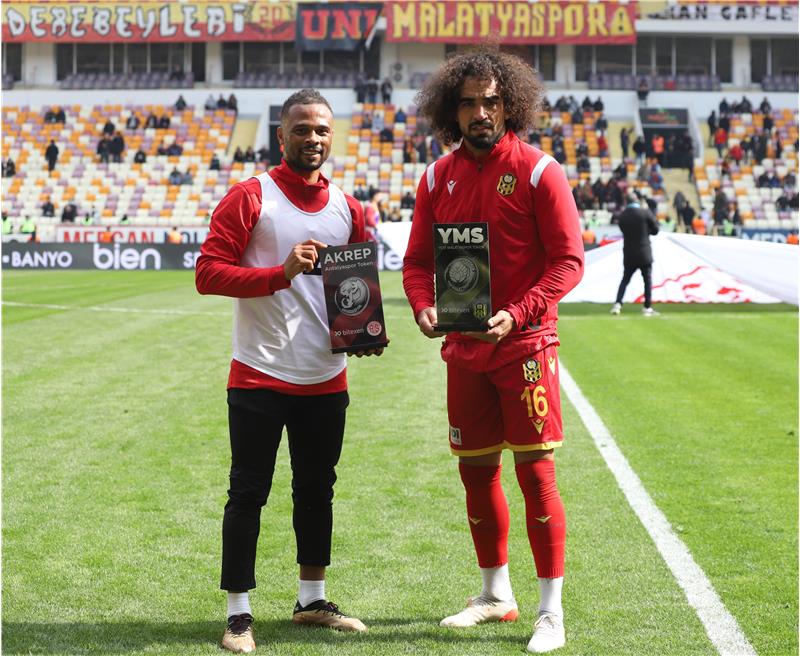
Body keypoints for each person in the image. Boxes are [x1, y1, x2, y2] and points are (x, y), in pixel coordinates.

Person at [403, 50, 583, 654]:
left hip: (525, 345)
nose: (480, 112)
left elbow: (568, 262)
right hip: (464, 351)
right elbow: (417, 263)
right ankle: (495, 594)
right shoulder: (436, 178)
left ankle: (551, 612)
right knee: (476, 472)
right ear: (450, 111)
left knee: (535, 473)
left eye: (491, 101)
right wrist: (423, 306)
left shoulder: (539, 172)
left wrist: (519, 313)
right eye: (468, 103)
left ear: (510, 104)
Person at [195, 88, 381, 654]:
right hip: (259, 371)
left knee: (317, 490)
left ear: (332, 135)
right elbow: (208, 273)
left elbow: (353, 291)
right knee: (247, 492)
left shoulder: (349, 208)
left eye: (321, 129)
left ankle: (311, 600)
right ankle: (238, 614)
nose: (313, 139)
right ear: (282, 136)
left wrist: (363, 333)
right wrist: (279, 273)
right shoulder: (251, 196)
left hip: (325, 376)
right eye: (301, 129)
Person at [610, 193, 659, 316]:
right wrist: (646, 230)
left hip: (629, 253)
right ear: (637, 200)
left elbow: (623, 230)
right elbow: (655, 230)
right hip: (644, 252)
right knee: (647, 280)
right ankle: (647, 307)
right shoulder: (645, 212)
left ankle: (618, 304)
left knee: (625, 280)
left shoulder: (623, 216)